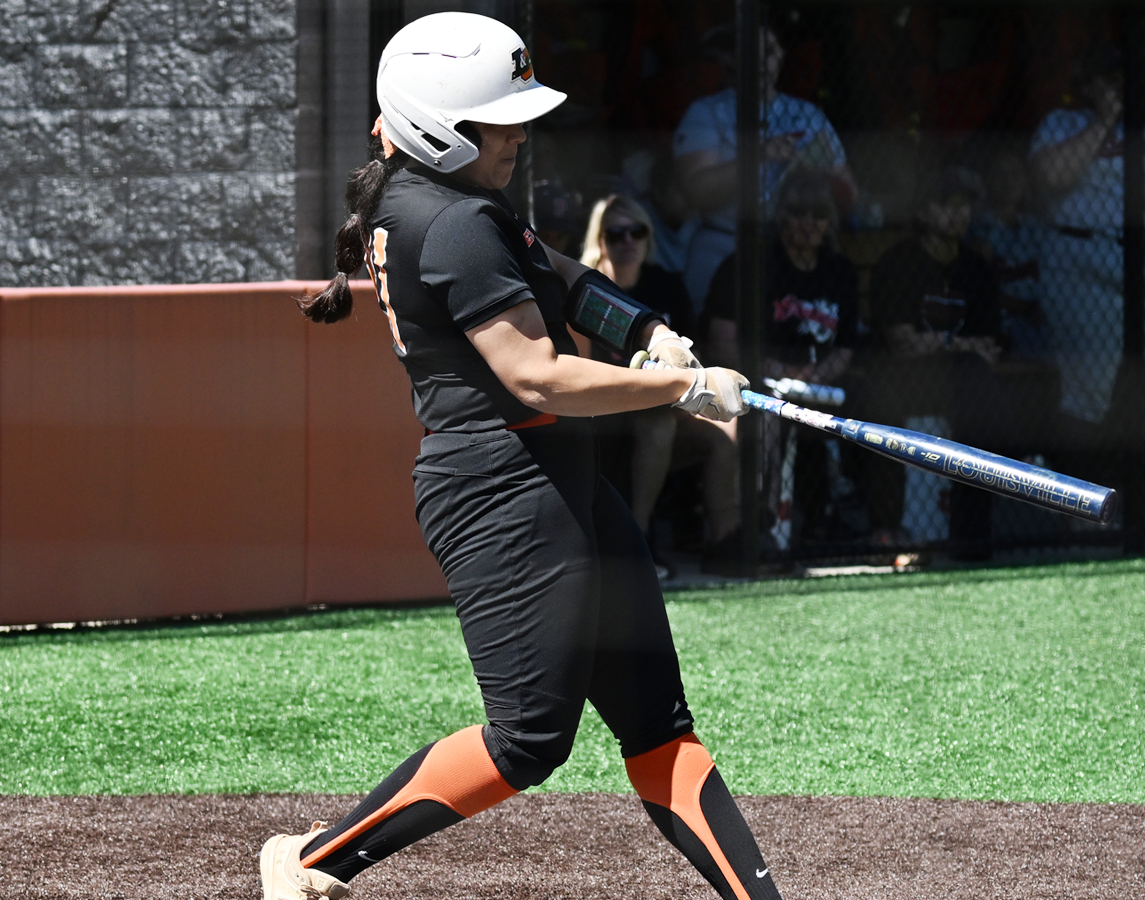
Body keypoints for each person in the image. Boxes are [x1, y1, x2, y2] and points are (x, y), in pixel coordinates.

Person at [265, 14, 780, 900]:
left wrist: (652, 332)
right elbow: (535, 374)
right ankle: (312, 864)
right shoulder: (452, 221)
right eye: (499, 119)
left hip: (554, 474)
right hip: (500, 489)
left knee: (658, 726)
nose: (519, 133)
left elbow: (561, 277)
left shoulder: (441, 194)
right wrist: (679, 391)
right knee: (529, 741)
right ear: (437, 125)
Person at [1029, 46, 1145, 483]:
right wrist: (1105, 120)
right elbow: (1052, 176)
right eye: (1108, 81)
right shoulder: (1062, 124)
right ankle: (1078, 509)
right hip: (1081, 262)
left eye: (1125, 81)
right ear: (1088, 86)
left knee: (1127, 389)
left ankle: (1117, 501)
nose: (1118, 89)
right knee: (1085, 392)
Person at [578, 194, 738, 579]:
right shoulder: (585, 290)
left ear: (649, 238)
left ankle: (727, 542)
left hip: (660, 410)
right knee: (657, 424)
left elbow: (692, 353)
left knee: (725, 426)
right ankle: (637, 543)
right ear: (599, 240)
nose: (628, 241)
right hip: (601, 418)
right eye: (617, 234)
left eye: (638, 231)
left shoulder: (665, 285)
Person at [705, 167, 862, 557]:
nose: (808, 223)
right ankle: (766, 524)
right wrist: (777, 372)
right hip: (760, 383)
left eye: (818, 214)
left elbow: (847, 347)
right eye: (798, 212)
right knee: (773, 412)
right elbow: (722, 343)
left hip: (826, 380)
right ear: (780, 217)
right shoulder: (750, 266)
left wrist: (815, 375)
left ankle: (844, 517)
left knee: (873, 396)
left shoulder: (839, 271)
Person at [865, 166, 1002, 558]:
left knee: (979, 382)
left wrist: (944, 345)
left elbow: (988, 347)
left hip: (959, 378)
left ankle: (974, 540)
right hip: (902, 376)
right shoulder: (899, 263)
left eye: (964, 206)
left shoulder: (977, 269)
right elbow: (901, 344)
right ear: (924, 212)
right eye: (947, 205)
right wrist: (958, 343)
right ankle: (889, 530)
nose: (958, 215)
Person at [673, 23, 857, 311]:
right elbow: (697, 192)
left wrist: (816, 174)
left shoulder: (808, 116)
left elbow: (849, 197)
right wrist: (757, 156)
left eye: (769, 51)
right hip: (723, 242)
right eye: (750, 51)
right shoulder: (706, 112)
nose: (760, 61)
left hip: (794, 250)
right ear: (733, 58)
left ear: (781, 56)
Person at [968, 147, 1047, 362]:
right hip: (1000, 322)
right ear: (986, 180)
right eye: (1000, 174)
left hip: (1039, 318)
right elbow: (979, 292)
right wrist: (1027, 308)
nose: (1009, 181)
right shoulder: (975, 227)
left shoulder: (1036, 227)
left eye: (1015, 174)